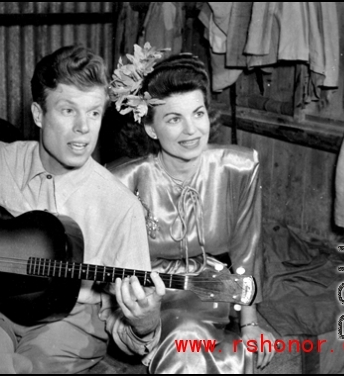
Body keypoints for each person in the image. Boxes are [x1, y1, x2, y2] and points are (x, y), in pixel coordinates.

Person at [0, 45, 166, 374]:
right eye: (68, 111)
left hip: (70, 321)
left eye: (94, 112)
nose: (83, 128)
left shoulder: (122, 207)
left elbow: (123, 325)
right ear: (38, 114)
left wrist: (144, 324)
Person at [107, 44, 276, 373]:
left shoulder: (239, 167)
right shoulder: (123, 180)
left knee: (192, 336)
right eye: (174, 118)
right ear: (150, 127)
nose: (191, 130)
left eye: (198, 113)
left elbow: (247, 249)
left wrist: (250, 325)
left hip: (212, 287)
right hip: (146, 295)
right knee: (186, 341)